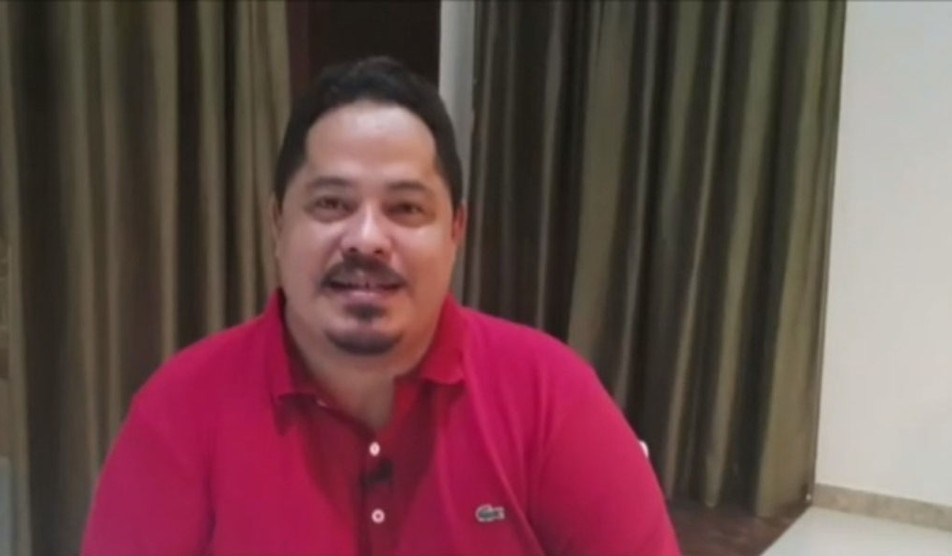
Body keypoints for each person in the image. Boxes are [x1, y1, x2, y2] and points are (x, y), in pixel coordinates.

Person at [82, 56, 680, 556]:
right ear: (278, 224)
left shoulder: (550, 395)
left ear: (456, 231)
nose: (366, 239)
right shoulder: (178, 413)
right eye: (331, 203)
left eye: (406, 208)